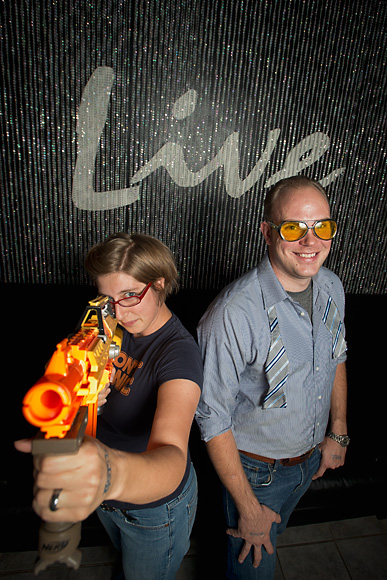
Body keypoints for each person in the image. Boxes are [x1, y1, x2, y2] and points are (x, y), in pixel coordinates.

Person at [15, 232, 203, 580]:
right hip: (105, 498)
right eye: (107, 298)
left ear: (159, 284)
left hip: (153, 511)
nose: (118, 310)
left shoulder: (179, 354)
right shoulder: (105, 323)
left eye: (130, 295)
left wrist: (107, 474)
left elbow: (173, 456)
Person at [195, 176, 349, 579]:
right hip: (255, 473)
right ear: (267, 232)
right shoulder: (233, 313)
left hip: (310, 457)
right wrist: (247, 507)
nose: (310, 241)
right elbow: (212, 419)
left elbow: (336, 357)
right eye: (294, 228)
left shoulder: (332, 286)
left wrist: (337, 433)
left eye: (322, 227)